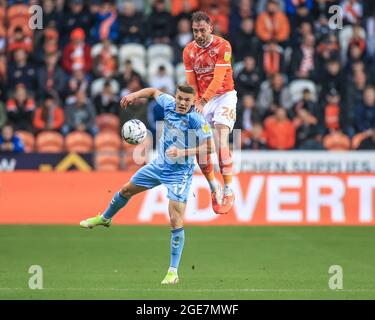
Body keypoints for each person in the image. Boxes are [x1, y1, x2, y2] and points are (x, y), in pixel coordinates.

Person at [80, 85, 212, 285]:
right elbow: (152, 91)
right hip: (159, 165)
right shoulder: (168, 104)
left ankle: (173, 272)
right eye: (180, 98)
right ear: (175, 97)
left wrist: (182, 153)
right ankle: (105, 218)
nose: (183, 103)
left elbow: (211, 146)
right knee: (126, 190)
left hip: (179, 174)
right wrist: (133, 95)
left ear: (193, 102)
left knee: (175, 220)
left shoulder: (197, 120)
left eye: (187, 100)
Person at [183, 11, 236, 214]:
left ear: (210, 29)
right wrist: (196, 101)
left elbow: (218, 78)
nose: (198, 34)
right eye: (195, 30)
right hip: (202, 100)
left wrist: (203, 101)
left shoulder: (223, 46)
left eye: (202, 30)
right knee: (202, 147)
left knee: (221, 138)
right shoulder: (188, 51)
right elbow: (192, 82)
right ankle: (215, 188)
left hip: (224, 95)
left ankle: (229, 189)